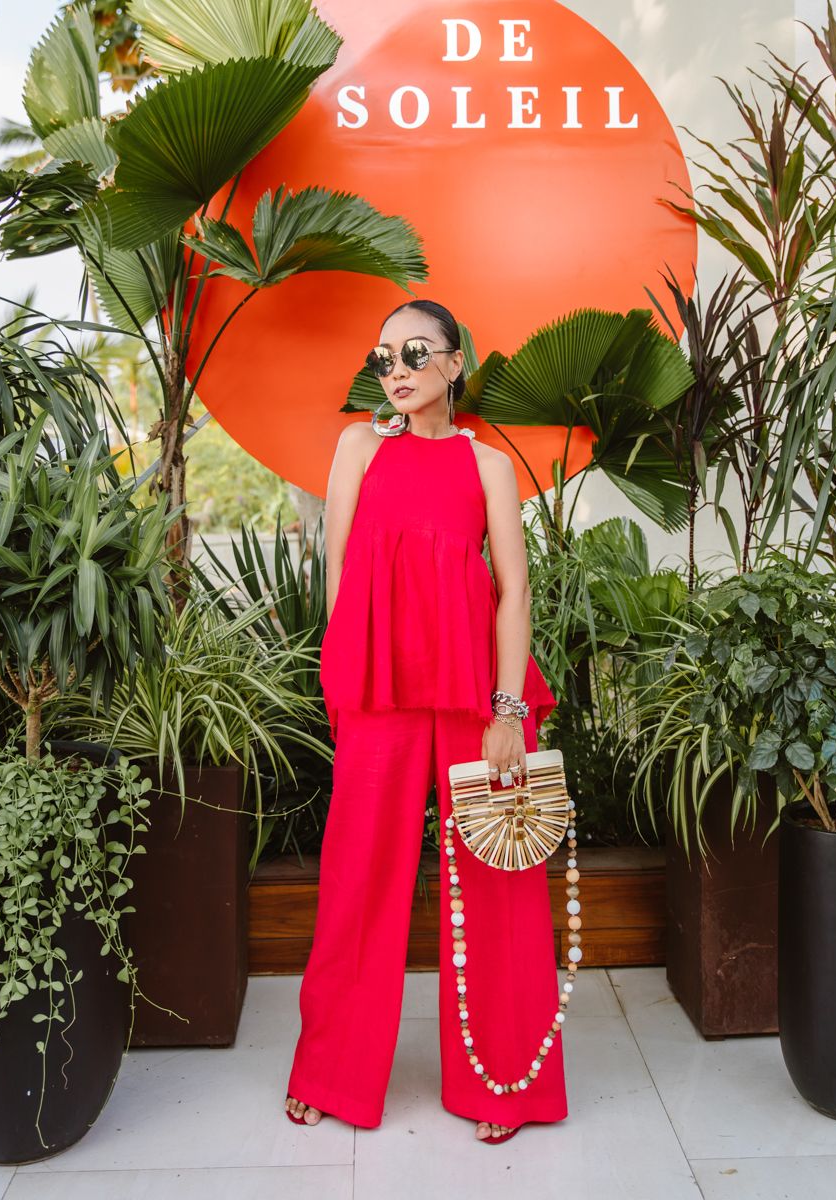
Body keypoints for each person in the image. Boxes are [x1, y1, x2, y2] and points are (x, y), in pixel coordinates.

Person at [284, 299, 569, 1143]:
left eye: (415, 353)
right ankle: (331, 1070)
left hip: (474, 694)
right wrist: (344, 685)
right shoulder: (357, 448)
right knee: (356, 882)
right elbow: (340, 580)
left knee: (495, 878)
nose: (396, 370)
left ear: (455, 362)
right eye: (382, 357)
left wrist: (508, 711)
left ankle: (504, 1078)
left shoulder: (487, 465)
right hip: (378, 694)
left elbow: (513, 590)